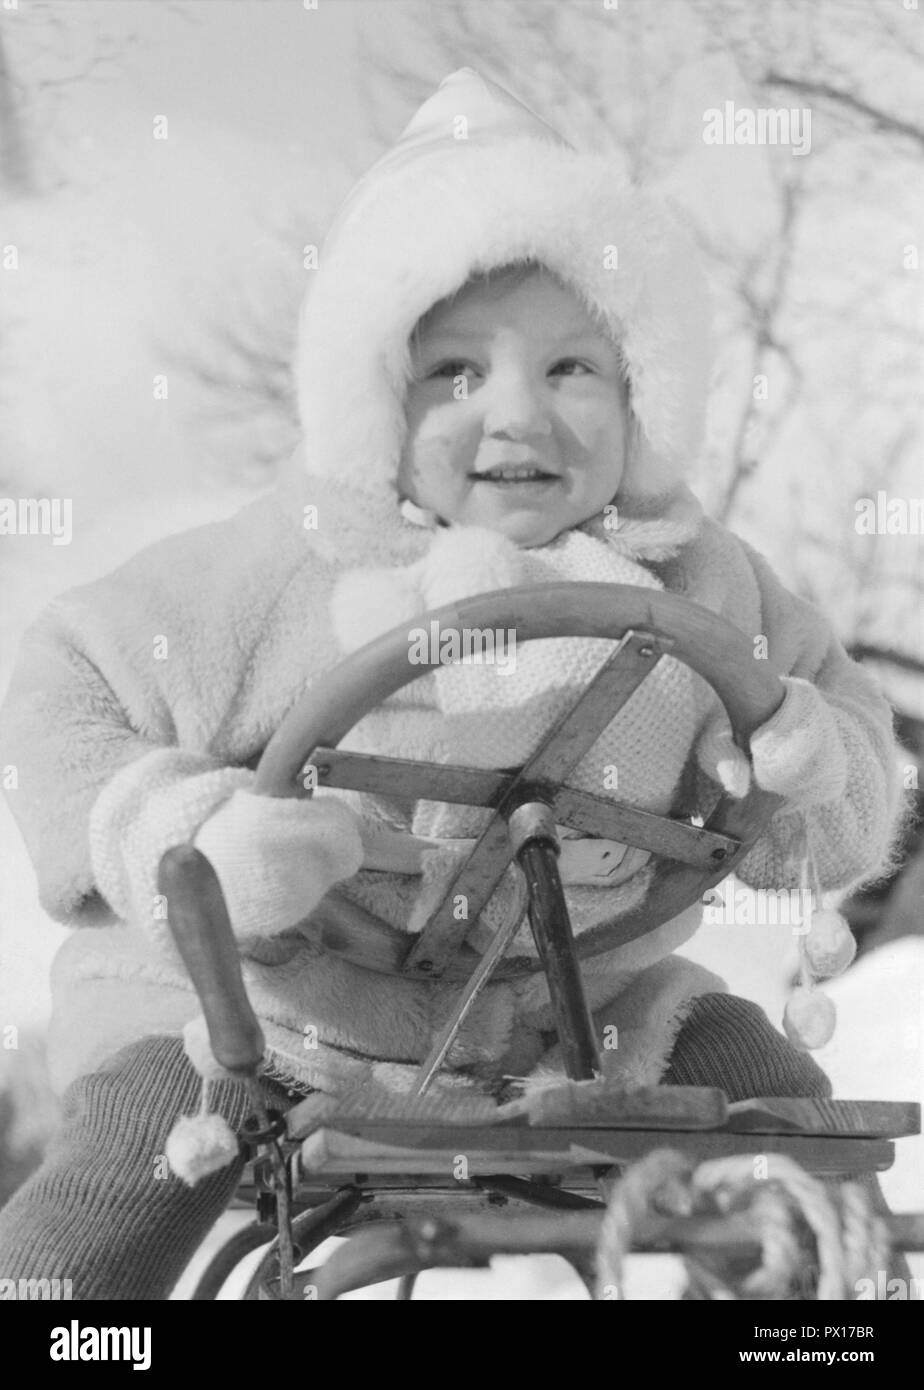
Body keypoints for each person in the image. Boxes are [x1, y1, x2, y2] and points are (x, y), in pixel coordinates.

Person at [0, 70, 907, 1299]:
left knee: (781, 1118)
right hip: (271, 1021)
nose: (519, 415)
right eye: (457, 373)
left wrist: (817, 761)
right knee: (118, 1192)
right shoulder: (286, 565)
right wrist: (195, 832)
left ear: (644, 388)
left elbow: (846, 743)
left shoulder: (708, 582)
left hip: (577, 1021)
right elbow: (61, 683)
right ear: (377, 398)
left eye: (574, 366)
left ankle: (823, 1314)